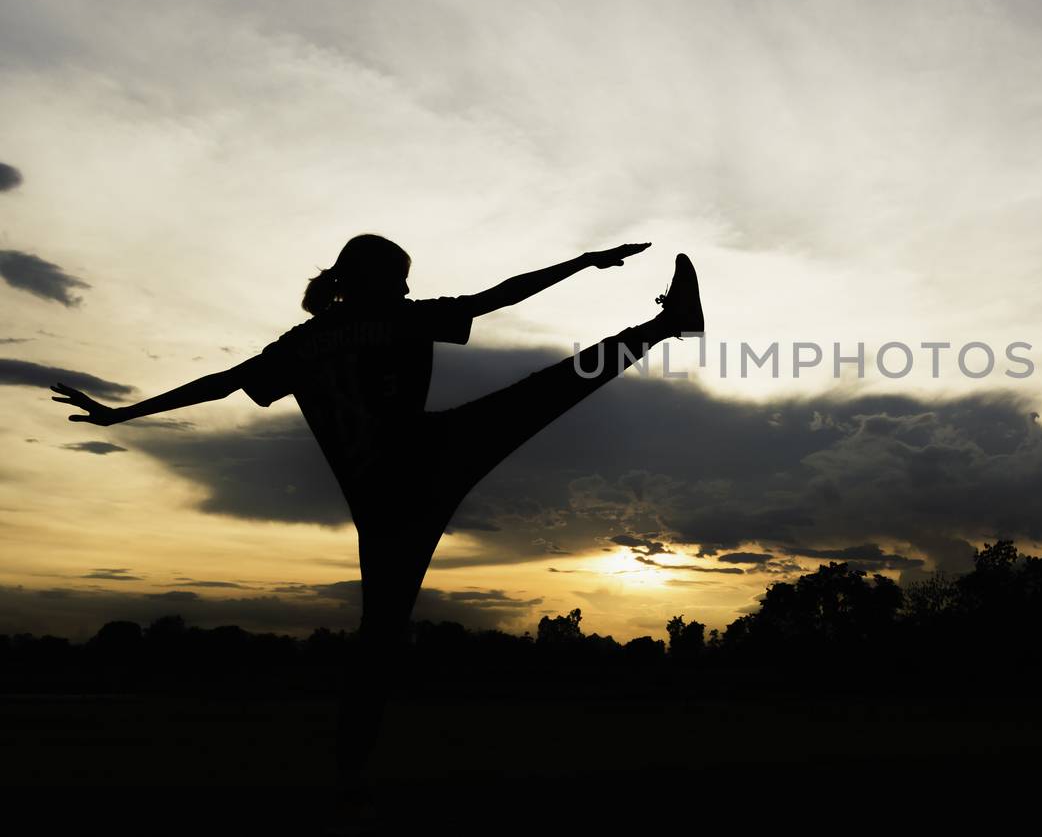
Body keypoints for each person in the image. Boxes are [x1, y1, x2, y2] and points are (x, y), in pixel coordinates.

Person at [50, 233, 704, 797]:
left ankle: (348, 778)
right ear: (371, 277)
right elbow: (501, 296)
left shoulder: (304, 342)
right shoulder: (388, 322)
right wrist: (585, 262)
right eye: (399, 275)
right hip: (425, 463)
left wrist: (121, 415)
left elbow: (221, 382)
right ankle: (666, 325)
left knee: (378, 644)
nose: (408, 284)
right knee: (551, 388)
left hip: (388, 498)